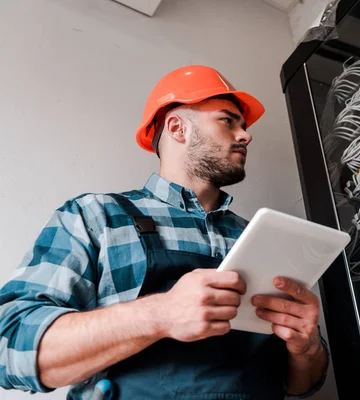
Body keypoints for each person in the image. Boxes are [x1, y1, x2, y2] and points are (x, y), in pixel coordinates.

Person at [0, 65, 329, 400]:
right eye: (228, 121)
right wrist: (162, 313)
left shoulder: (261, 237)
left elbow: (301, 384)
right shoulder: (97, 217)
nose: (246, 135)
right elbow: (10, 349)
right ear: (177, 128)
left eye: (242, 126)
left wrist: (308, 349)